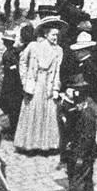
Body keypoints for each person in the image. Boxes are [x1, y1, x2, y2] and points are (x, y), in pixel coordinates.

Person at [15, 20, 64, 154]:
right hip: (34, 83)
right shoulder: (33, 46)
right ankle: (29, 145)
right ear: (46, 34)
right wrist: (25, 80)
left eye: (57, 35)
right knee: (32, 110)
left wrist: (56, 89)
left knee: (48, 112)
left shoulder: (59, 50)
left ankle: (45, 145)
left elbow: (57, 71)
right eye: (53, 35)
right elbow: (23, 61)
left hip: (48, 82)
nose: (56, 38)